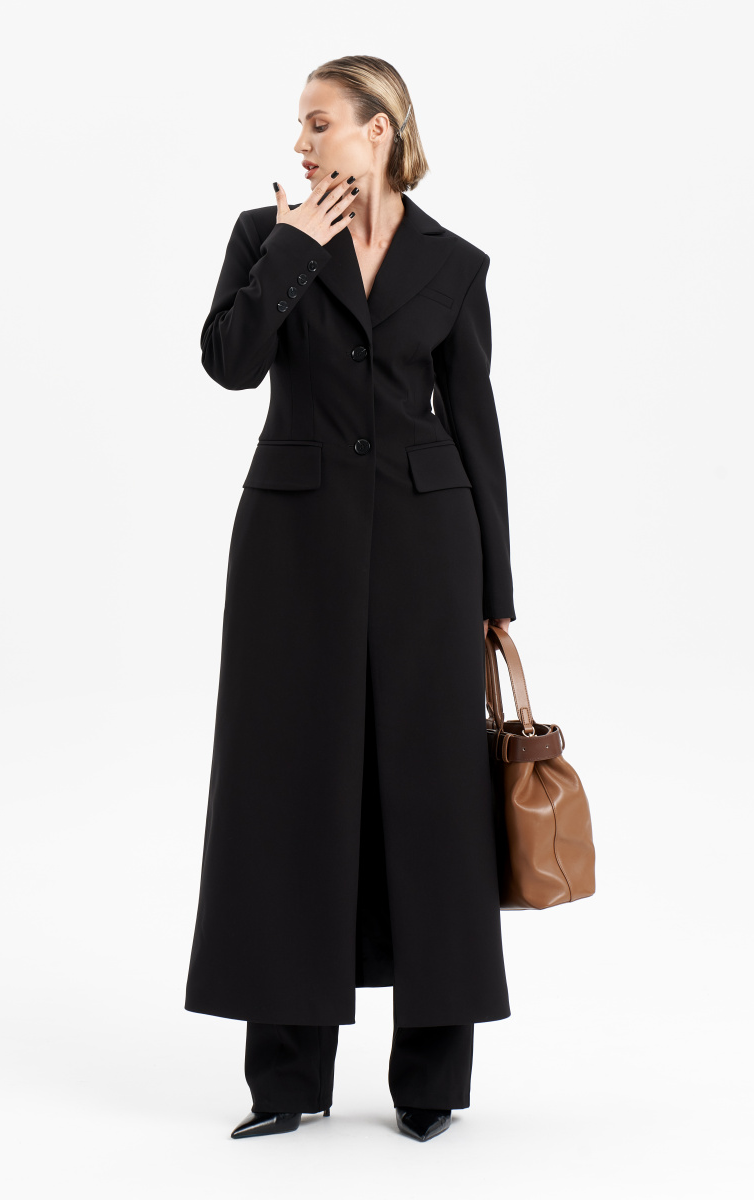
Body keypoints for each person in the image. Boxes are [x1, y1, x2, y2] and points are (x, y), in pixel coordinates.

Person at [185, 55, 516, 1143]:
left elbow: (475, 428)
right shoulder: (265, 237)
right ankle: (285, 1082)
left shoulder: (453, 264)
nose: (301, 141)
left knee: (432, 800)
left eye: (319, 122)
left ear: (380, 130)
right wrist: (293, 250)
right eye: (300, 124)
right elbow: (229, 364)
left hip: (429, 548)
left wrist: (497, 594)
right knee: (288, 789)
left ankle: (431, 1084)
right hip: (292, 549)